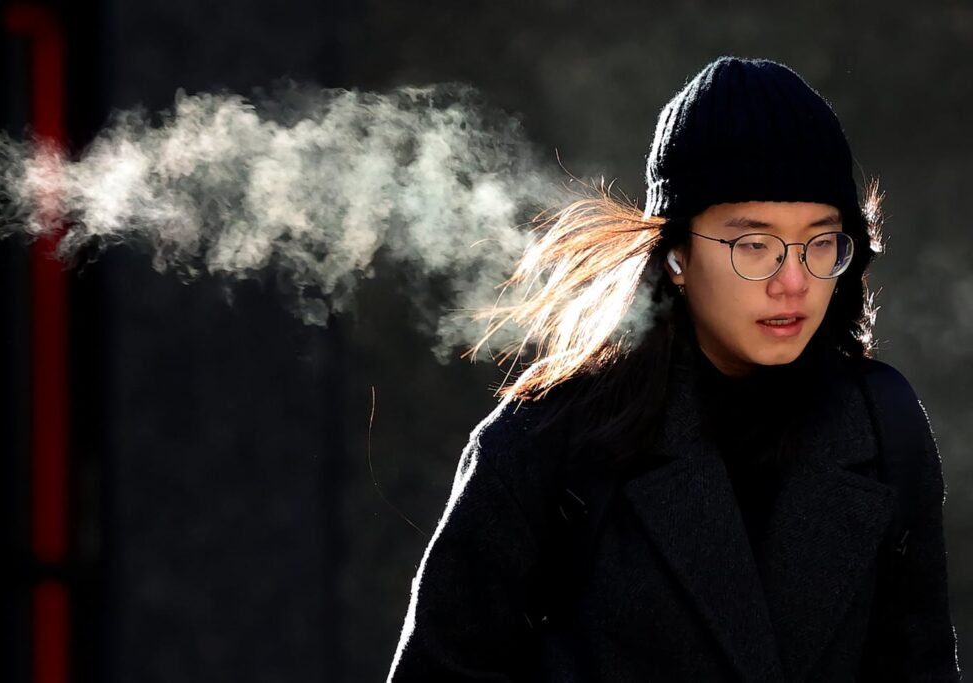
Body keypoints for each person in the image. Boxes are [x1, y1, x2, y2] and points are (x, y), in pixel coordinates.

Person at [387, 56, 961, 682]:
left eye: (820, 242)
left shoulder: (884, 428)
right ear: (677, 255)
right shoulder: (546, 443)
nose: (793, 281)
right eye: (754, 245)